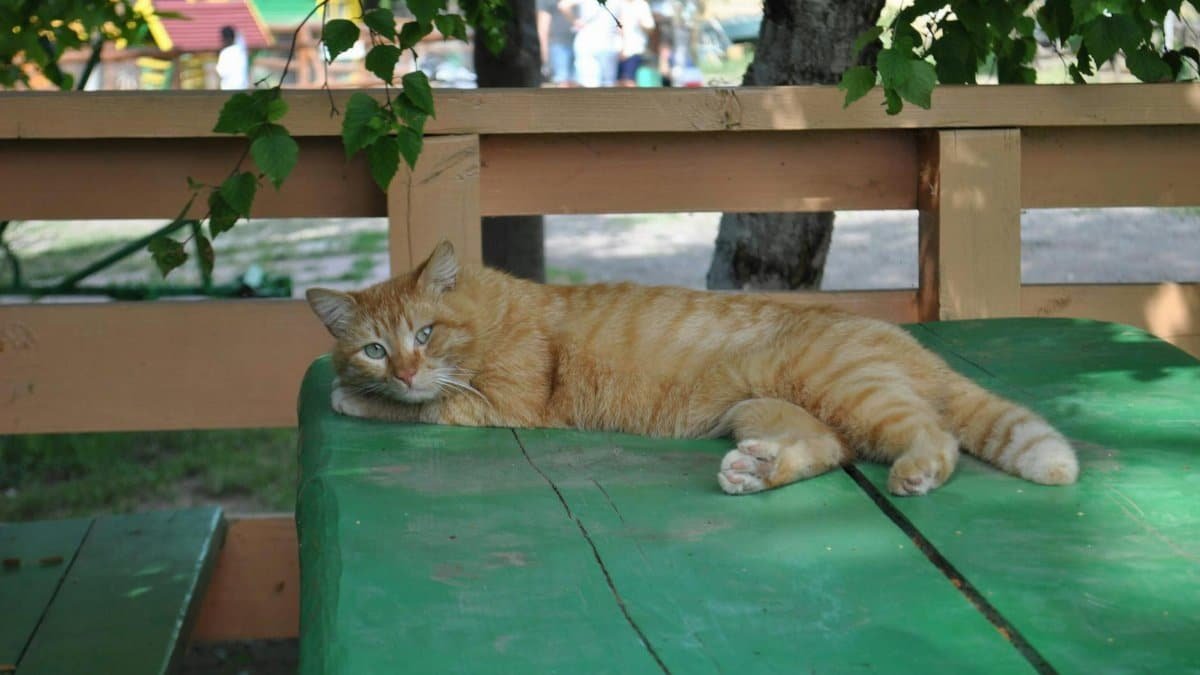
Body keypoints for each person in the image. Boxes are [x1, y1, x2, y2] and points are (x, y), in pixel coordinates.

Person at [560, 0, 622, 87]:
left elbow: (563, 5)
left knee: (589, 84)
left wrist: (575, 21)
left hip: (589, 43)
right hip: (606, 43)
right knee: (607, 84)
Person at [537, 0, 576, 85]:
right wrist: (545, 56)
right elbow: (543, 27)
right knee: (563, 82)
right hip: (558, 45)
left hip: (583, 43)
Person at [617, 0, 655, 86]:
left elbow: (650, 28)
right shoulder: (617, 3)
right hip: (616, 51)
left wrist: (642, 23)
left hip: (634, 50)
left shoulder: (642, 5)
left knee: (629, 82)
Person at [216, 26, 249, 90]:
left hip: (229, 89)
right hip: (243, 88)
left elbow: (221, 72)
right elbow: (241, 39)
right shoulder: (241, 50)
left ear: (224, 38)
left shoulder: (225, 53)